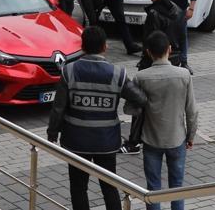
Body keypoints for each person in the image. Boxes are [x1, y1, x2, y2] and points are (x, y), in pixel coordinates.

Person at [48, 26, 147, 210]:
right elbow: (140, 98)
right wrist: (129, 108)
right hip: (106, 141)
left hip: (76, 141)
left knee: (78, 188)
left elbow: (58, 108)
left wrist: (52, 133)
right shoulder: (118, 74)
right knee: (109, 187)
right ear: (105, 47)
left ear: (82, 46)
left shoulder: (68, 71)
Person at [124, 31, 197, 210]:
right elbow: (192, 111)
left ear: (148, 52)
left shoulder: (141, 77)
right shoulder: (183, 75)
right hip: (177, 138)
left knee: (153, 188)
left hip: (151, 139)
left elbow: (129, 109)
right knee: (177, 186)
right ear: (169, 49)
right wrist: (190, 136)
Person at [119, 0, 186, 155]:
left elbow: (151, 43)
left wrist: (144, 65)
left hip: (153, 64)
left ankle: (134, 142)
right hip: (175, 61)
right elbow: (183, 37)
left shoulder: (153, 14)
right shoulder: (178, 11)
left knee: (140, 101)